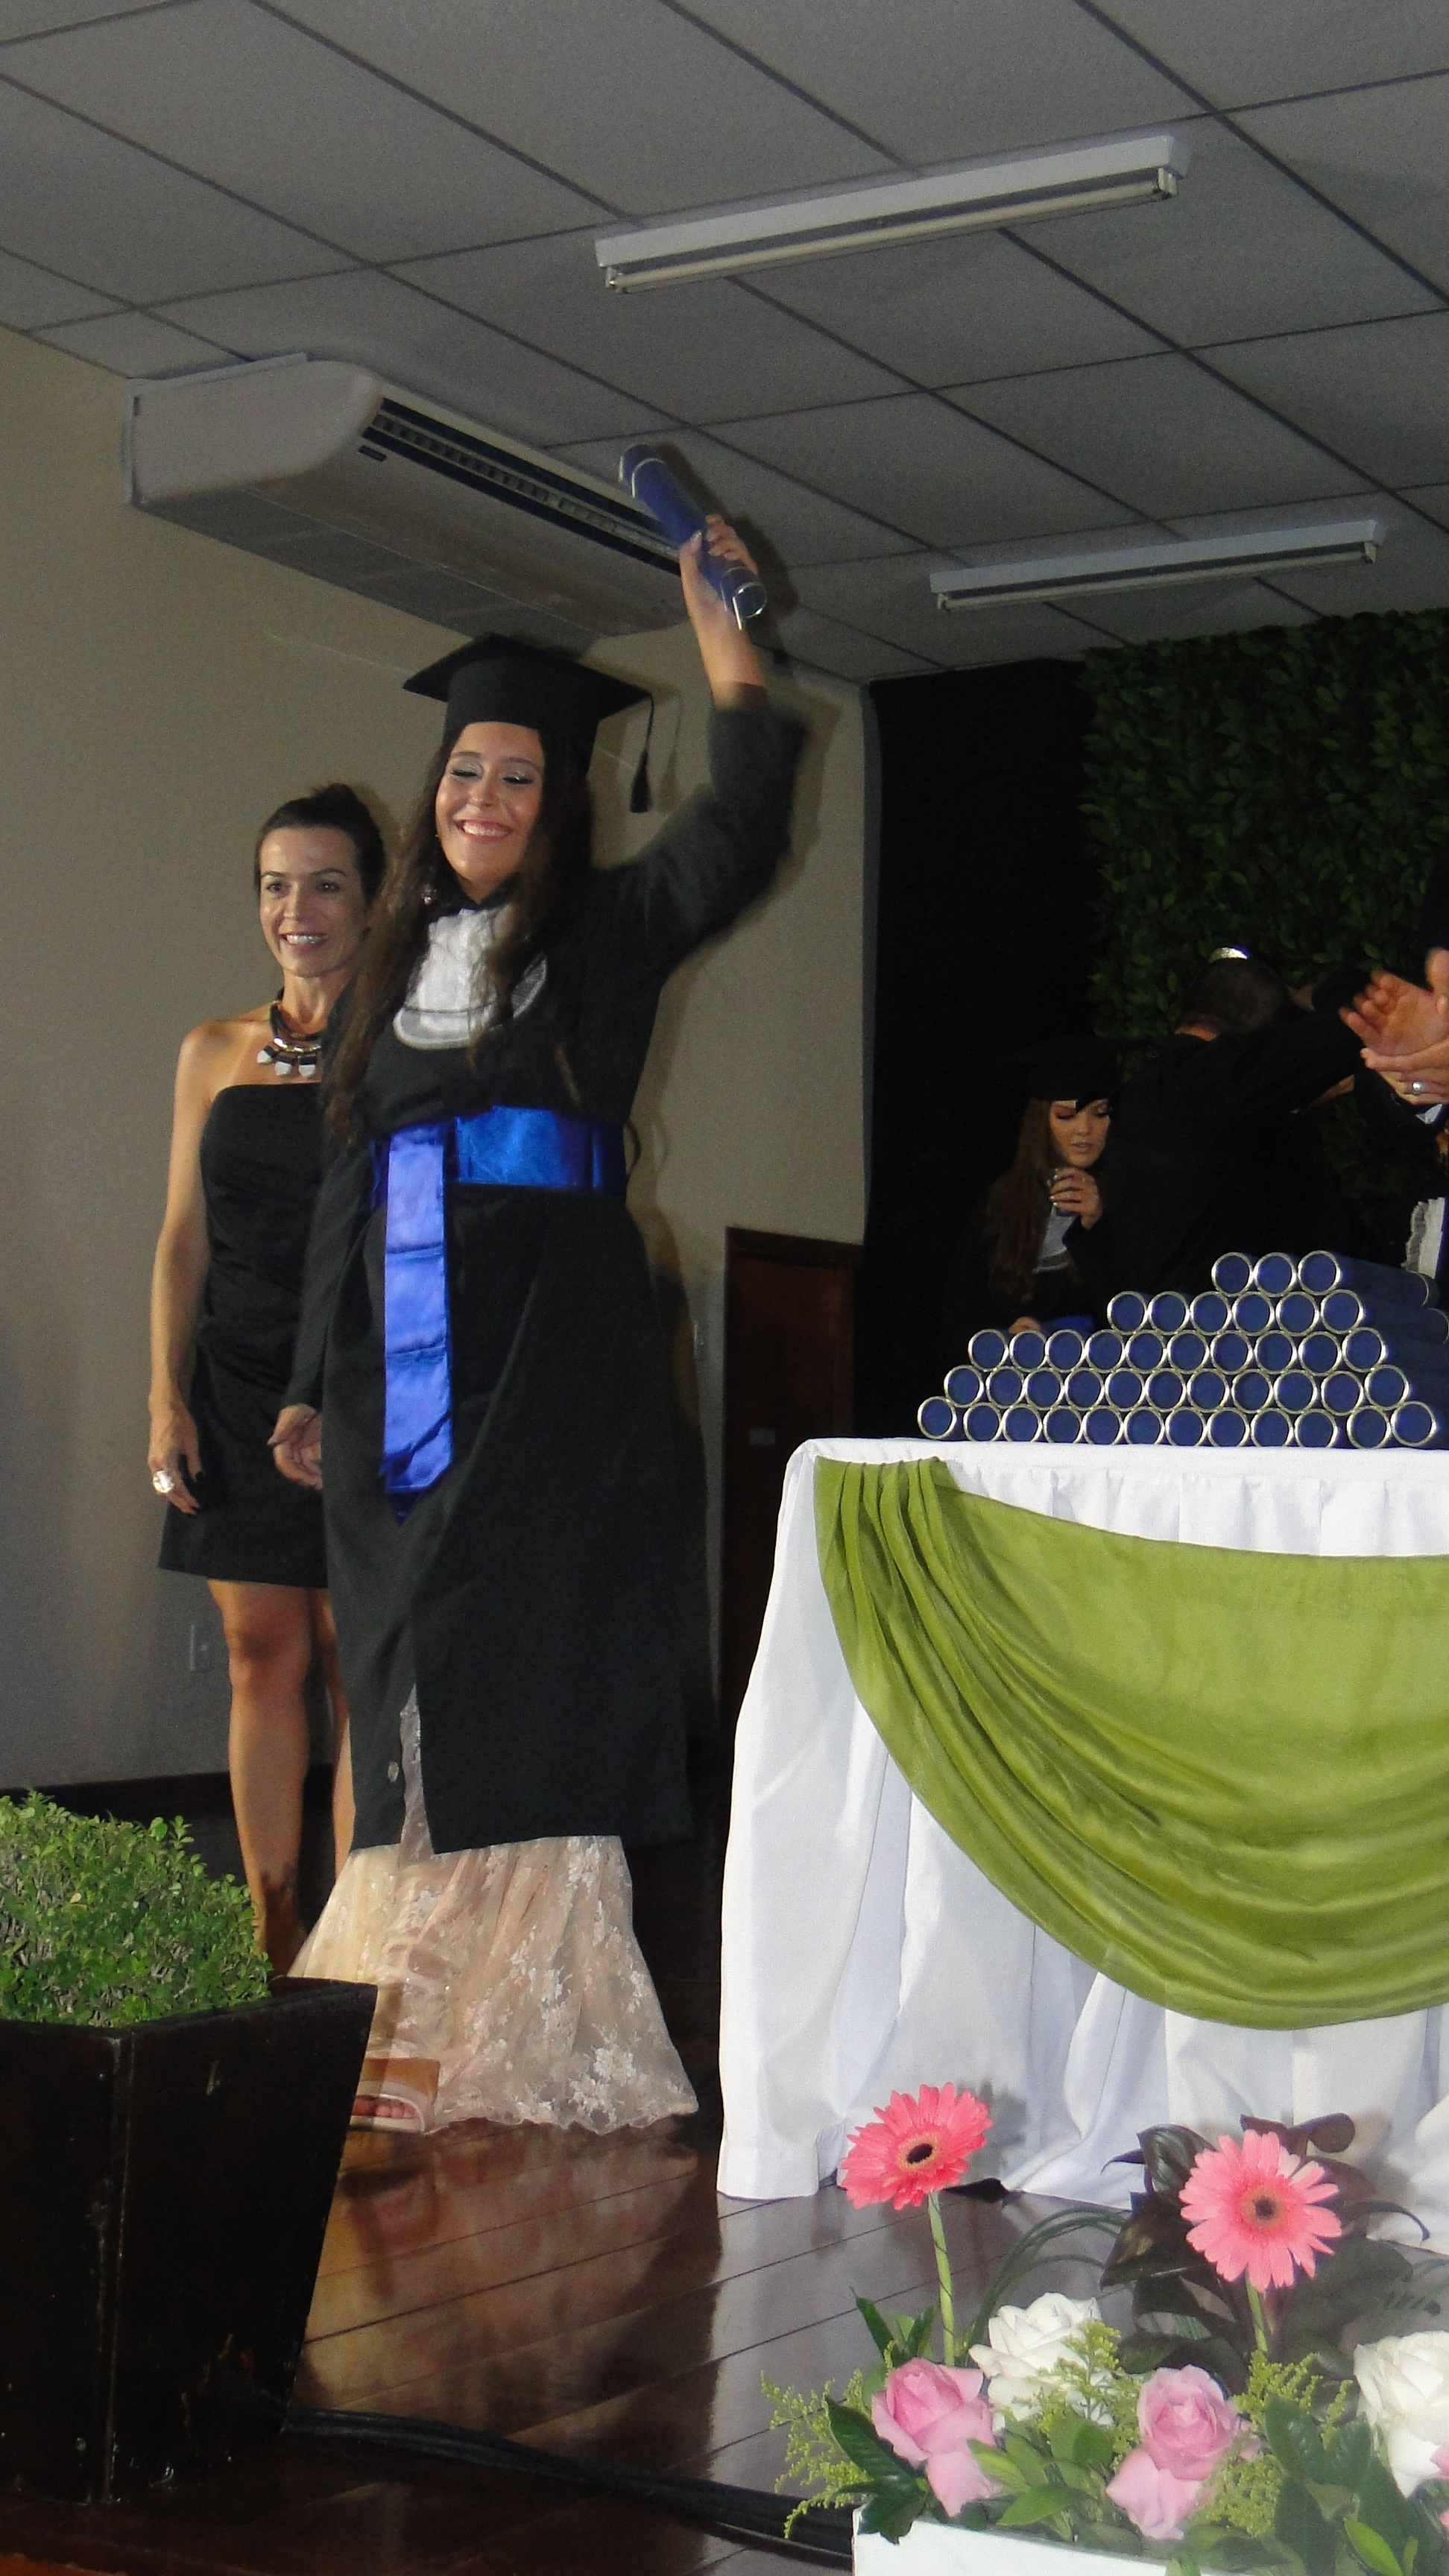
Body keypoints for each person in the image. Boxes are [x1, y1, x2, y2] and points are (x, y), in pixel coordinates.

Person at [274, 524, 806, 2135]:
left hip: (549, 1365)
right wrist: (303, 1382)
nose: (484, 802)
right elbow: (346, 1176)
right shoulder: (386, 970)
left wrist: (726, 649)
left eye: (516, 780)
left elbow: (740, 830)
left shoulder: (610, 935)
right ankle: (399, 2003)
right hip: (389, 1374)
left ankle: (523, 2018)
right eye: (464, 776)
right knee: (399, 1660)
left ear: (558, 802)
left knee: (524, 1657)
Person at [149, 786, 383, 1971]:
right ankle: (273, 1934)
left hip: (360, 1382)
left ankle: (354, 1948)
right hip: (234, 1382)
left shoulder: (403, 1052)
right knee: (258, 1659)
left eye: (327, 884)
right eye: (277, 885)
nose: (300, 909)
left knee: (354, 1667)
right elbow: (182, 1239)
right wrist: (164, 1393)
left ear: (372, 902)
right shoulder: (212, 1050)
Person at [1093, 955, 1363, 1296]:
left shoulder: (1147, 1089)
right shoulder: (1215, 1079)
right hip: (1228, 1315)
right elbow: (1357, 1024)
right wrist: (1313, 996)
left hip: (1164, 1312)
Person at [943, 1037, 1118, 1350]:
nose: (1084, 1129)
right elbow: (961, 1307)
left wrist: (1098, 1227)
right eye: (1066, 1116)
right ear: (1042, 1122)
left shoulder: (1129, 1198)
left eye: (1099, 1113)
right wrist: (1005, 1333)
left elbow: (1135, 1308)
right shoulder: (1003, 1202)